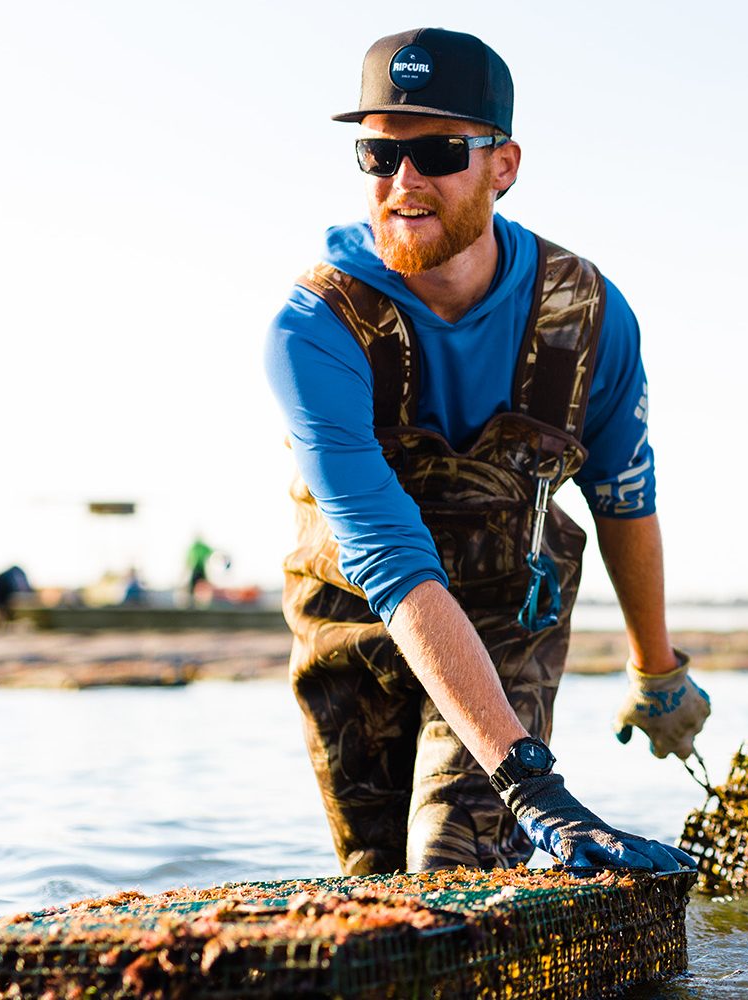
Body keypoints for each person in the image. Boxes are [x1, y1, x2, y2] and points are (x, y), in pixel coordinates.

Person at [263, 27, 709, 875]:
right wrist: (539, 792)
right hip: (354, 625)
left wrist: (657, 673)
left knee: (448, 866)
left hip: (510, 619)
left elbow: (624, 498)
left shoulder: (588, 320)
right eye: (378, 155)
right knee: (379, 893)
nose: (404, 183)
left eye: (434, 152)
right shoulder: (316, 329)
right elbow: (390, 561)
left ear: (503, 165)